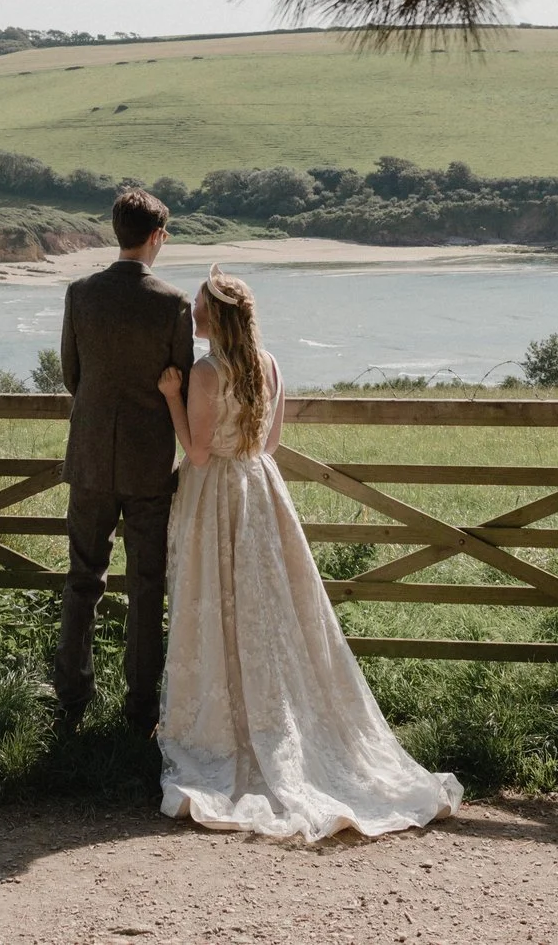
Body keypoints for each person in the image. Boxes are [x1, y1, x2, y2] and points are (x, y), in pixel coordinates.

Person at [153, 266, 462, 841]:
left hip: (216, 492)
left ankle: (226, 726)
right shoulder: (268, 365)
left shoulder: (202, 372)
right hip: (262, 491)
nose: (190, 315)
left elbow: (196, 454)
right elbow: (269, 443)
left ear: (215, 317)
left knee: (216, 598)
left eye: (197, 307)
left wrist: (173, 398)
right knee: (272, 605)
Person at [52, 187, 194, 736]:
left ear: (117, 231)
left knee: (82, 577)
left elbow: (72, 375)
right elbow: (178, 386)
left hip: (88, 457)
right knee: (146, 583)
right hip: (148, 464)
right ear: (156, 235)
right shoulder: (173, 303)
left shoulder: (80, 293)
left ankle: (70, 699)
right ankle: (140, 710)